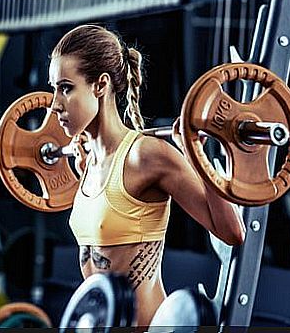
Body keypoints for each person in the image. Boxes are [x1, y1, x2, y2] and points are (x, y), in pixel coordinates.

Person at [48, 24, 245, 327]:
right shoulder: (87, 161)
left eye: (65, 88)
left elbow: (232, 232)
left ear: (100, 85)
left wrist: (197, 156)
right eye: (54, 89)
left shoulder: (147, 156)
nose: (54, 104)